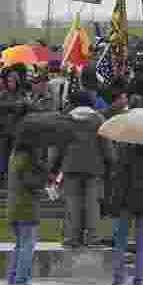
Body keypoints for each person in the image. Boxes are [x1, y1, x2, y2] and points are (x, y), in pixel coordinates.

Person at [49, 93, 113, 249]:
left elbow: (57, 147)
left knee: (72, 202)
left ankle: (72, 238)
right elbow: (107, 148)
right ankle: (93, 238)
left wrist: (52, 168)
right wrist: (111, 163)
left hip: (71, 166)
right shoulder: (98, 120)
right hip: (94, 167)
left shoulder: (66, 120)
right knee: (93, 203)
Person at [105, 142, 143, 285]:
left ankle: (118, 279)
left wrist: (114, 202)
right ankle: (138, 280)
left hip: (127, 201)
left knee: (120, 240)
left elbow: (120, 178)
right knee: (141, 241)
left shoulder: (125, 149)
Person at [6, 133, 48, 285]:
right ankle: (21, 281)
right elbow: (31, 182)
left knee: (19, 245)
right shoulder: (28, 158)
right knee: (26, 246)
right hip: (26, 207)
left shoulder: (14, 155)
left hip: (15, 206)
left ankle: (12, 279)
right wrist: (44, 171)